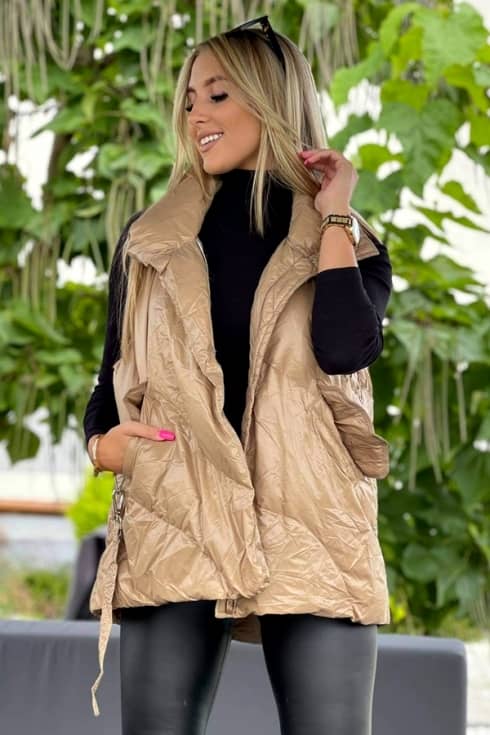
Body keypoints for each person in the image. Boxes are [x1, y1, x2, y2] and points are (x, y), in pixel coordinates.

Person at [83, 15, 393, 735]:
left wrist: (335, 215)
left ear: (272, 99)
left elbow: (344, 348)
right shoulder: (150, 240)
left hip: (312, 518)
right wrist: (106, 446)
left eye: (218, 95)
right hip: (177, 507)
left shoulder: (346, 239)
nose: (197, 115)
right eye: (190, 99)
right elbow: (109, 383)